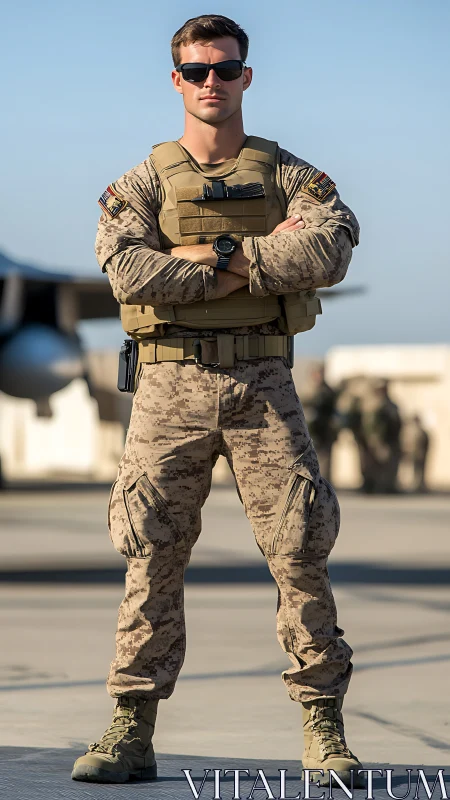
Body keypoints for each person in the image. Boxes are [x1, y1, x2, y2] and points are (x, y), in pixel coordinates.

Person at [72, 14, 364, 787]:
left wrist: (215, 254)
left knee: (301, 551)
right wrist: (263, 260)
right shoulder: (140, 181)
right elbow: (129, 271)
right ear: (177, 80)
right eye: (198, 71)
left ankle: (323, 728)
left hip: (264, 383)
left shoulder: (289, 175)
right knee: (151, 557)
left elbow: (331, 243)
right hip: (169, 388)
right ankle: (131, 727)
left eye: (226, 70)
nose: (212, 83)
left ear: (246, 77)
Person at [358, 378, 402, 493]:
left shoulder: (389, 404)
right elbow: (369, 425)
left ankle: (386, 487)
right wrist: (374, 441)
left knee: (388, 465)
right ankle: (371, 486)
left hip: (389, 440)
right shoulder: (372, 404)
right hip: (375, 441)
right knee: (372, 464)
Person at [302, 365, 338, 482]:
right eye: (317, 373)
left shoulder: (328, 391)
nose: (319, 376)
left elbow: (334, 411)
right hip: (309, 431)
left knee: (325, 459)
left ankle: (324, 483)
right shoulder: (307, 390)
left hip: (325, 430)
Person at [401, 415, 430, 492]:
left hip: (419, 454)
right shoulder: (412, 431)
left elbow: (424, 444)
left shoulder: (420, 432)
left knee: (419, 471)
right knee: (413, 470)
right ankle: (414, 484)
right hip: (413, 454)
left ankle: (419, 486)